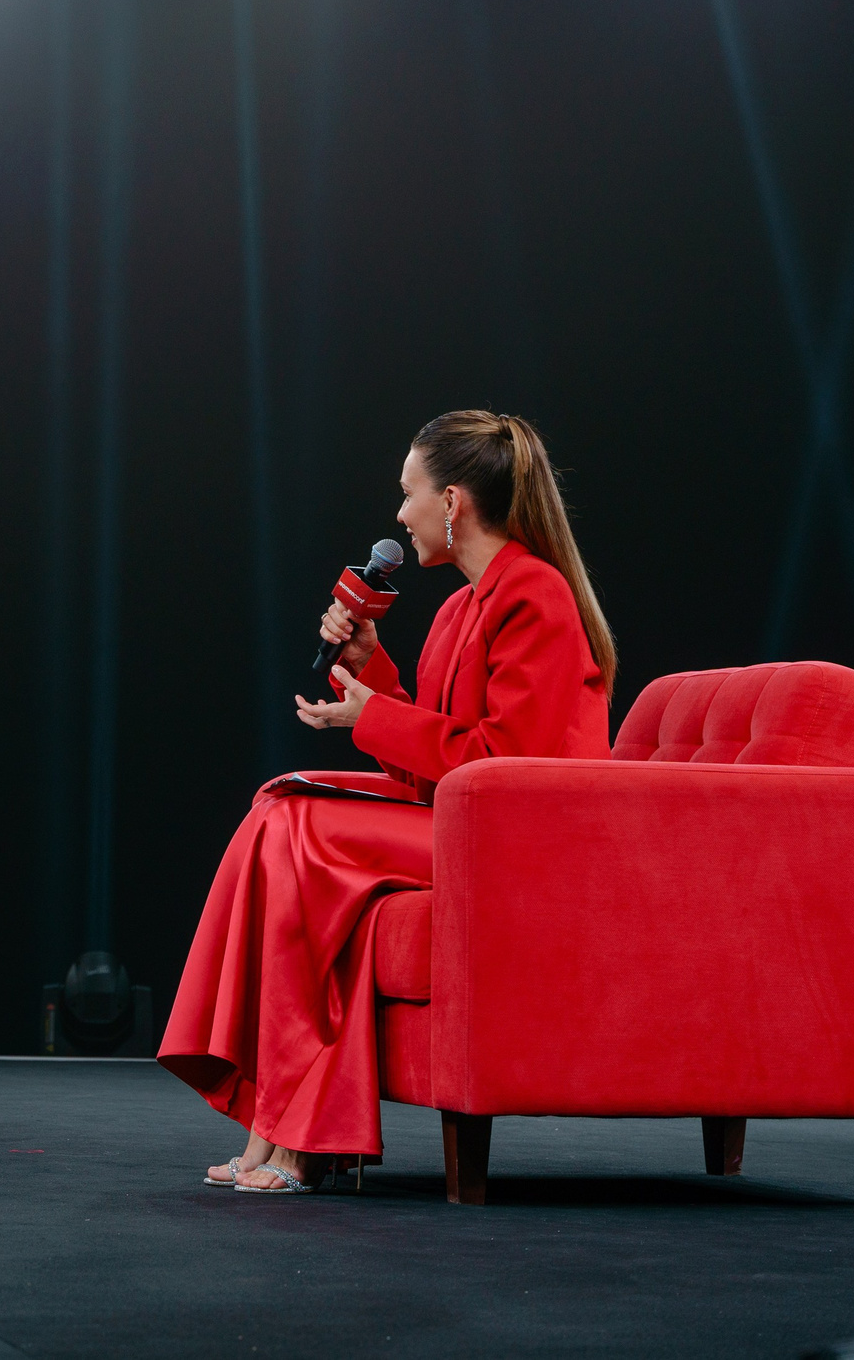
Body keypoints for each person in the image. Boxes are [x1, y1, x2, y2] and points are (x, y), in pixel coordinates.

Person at [158, 411, 617, 1193]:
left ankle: (296, 1131)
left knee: (304, 832)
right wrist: (374, 680)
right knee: (281, 807)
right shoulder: (458, 606)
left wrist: (372, 716)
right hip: (466, 823)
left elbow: (505, 766)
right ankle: (275, 1117)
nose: (397, 516)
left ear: (452, 501)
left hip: (524, 844)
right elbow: (431, 764)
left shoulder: (532, 595)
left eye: (408, 495)